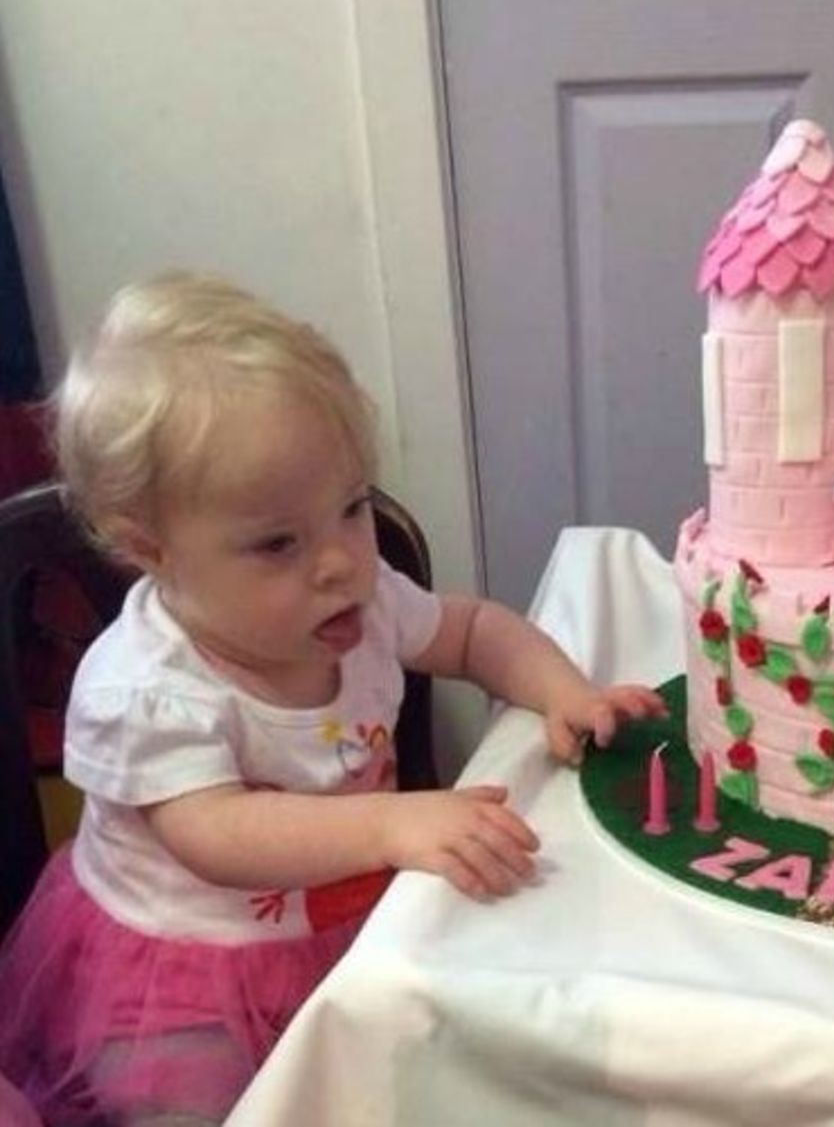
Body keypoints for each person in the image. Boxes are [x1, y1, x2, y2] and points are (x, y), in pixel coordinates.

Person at [0, 272, 667, 1125]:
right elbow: (217, 834)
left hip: (344, 928)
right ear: (151, 550)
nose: (341, 560)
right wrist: (393, 824)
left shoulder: (358, 595)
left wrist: (561, 690)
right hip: (182, 986)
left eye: (350, 507)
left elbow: (470, 632)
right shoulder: (145, 688)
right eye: (278, 542)